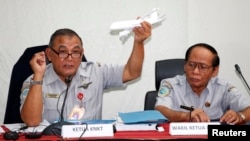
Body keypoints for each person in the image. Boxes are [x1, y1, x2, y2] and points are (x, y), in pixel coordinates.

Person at [20, 22, 151, 127]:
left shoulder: (96, 72)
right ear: (49, 54)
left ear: (82, 53)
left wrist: (138, 42)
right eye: (63, 52)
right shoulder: (34, 81)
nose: (70, 58)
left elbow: (132, 72)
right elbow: (32, 122)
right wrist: (38, 76)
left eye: (75, 52)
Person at [155, 43, 250, 125]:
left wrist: (240, 116)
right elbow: (160, 110)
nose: (195, 71)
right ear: (185, 65)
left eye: (203, 67)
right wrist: (187, 116)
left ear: (215, 71)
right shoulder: (170, 85)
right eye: (191, 65)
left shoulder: (223, 88)